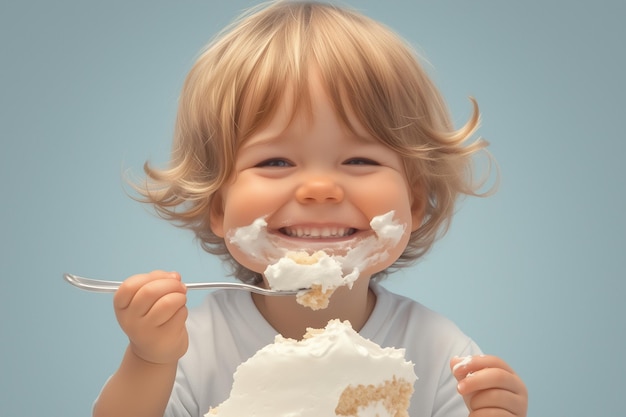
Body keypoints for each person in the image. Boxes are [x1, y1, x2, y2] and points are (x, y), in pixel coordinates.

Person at [93, 1, 528, 416]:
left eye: (360, 160)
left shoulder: (440, 353)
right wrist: (148, 359)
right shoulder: (192, 345)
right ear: (219, 204)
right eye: (275, 161)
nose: (320, 189)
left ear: (413, 202)